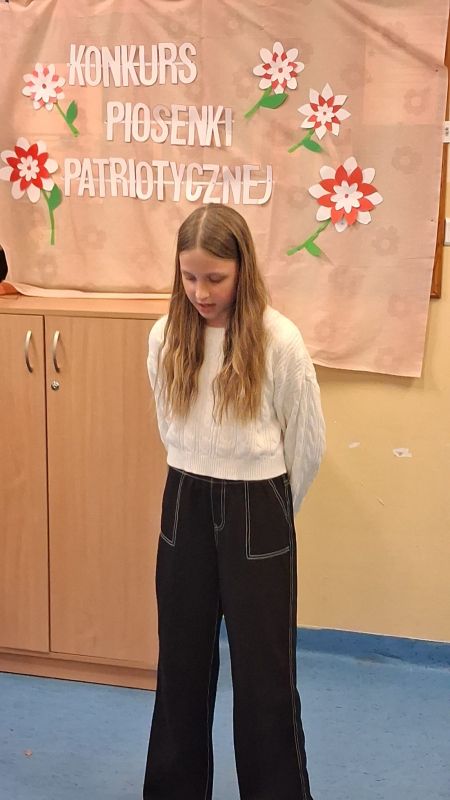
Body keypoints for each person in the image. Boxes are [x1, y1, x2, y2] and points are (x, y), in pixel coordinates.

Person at [143, 203, 325, 800]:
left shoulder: (279, 339)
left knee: (265, 678)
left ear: (243, 268)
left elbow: (307, 444)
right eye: (189, 277)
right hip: (185, 502)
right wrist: (202, 479)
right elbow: (169, 424)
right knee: (180, 668)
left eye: (215, 278)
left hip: (259, 508)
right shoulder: (165, 336)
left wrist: (271, 515)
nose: (201, 292)